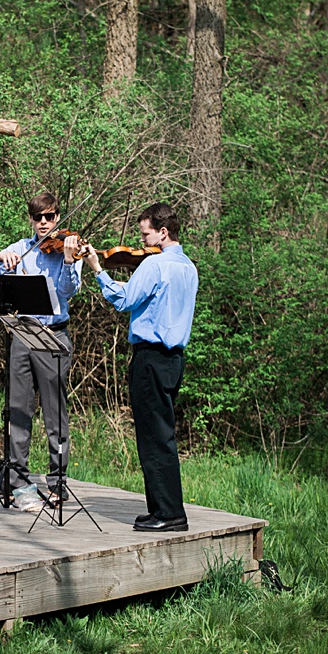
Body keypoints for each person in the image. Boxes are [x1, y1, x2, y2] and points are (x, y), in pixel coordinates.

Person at [82, 202, 198, 533]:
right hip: (174, 360)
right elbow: (143, 297)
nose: (142, 239)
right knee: (162, 434)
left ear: (162, 232)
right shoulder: (188, 266)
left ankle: (169, 513)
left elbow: (124, 300)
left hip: (150, 358)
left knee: (153, 438)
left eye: (145, 233)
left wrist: (97, 269)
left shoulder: (155, 265)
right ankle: (163, 508)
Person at [0, 192, 82, 512]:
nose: (44, 223)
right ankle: (19, 479)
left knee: (55, 413)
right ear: (31, 220)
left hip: (54, 335)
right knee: (18, 409)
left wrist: (67, 260)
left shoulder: (69, 249)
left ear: (58, 217)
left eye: (50, 217)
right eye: (38, 218)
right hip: (22, 335)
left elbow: (68, 291)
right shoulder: (20, 248)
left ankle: (58, 482)